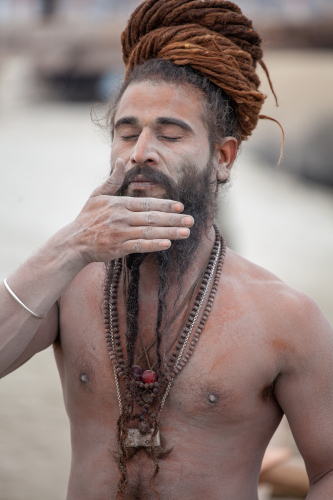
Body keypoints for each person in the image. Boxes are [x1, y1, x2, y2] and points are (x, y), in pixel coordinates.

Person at [1, 1, 333, 499]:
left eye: (170, 133)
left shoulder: (287, 317)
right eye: (126, 132)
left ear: (223, 157)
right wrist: (69, 244)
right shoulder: (66, 284)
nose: (140, 152)